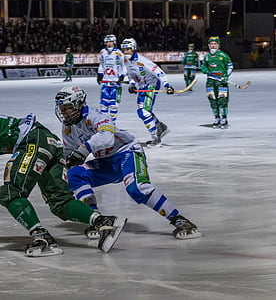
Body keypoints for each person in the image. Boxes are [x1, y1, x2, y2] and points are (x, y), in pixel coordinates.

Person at [0, 94, 127, 257]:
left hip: (32, 143)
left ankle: (43, 238)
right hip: (48, 140)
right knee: (59, 202)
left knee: (10, 193)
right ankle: (104, 221)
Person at [54, 85, 201, 240]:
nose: (63, 113)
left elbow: (106, 137)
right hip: (106, 162)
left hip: (127, 153)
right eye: (61, 109)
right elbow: (67, 152)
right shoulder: (68, 128)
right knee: (75, 175)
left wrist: (84, 150)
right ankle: (97, 220)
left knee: (137, 189)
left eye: (66, 108)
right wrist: (59, 175)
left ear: (78, 103)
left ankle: (179, 220)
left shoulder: (96, 116)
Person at [120, 38, 174, 146]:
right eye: (124, 49)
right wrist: (131, 83)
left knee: (143, 112)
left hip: (152, 85)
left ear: (133, 49)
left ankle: (155, 138)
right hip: (142, 86)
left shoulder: (142, 60)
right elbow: (132, 75)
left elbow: (159, 72)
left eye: (128, 49)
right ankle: (160, 127)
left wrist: (167, 85)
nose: (126, 52)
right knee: (143, 112)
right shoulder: (126, 61)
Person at [201, 36, 234, 128]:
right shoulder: (207, 56)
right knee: (212, 99)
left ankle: (224, 118)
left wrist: (226, 76)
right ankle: (216, 117)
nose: (213, 46)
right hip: (210, 81)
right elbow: (204, 66)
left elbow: (230, 66)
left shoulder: (223, 55)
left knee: (222, 100)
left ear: (218, 45)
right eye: (211, 44)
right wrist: (205, 70)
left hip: (221, 81)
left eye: (215, 44)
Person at [97, 34, 127, 122]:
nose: (109, 44)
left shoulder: (119, 53)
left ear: (114, 43)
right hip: (106, 82)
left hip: (115, 83)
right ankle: (104, 123)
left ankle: (112, 123)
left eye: (111, 42)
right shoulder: (102, 52)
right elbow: (101, 65)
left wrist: (121, 76)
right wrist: (99, 74)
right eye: (107, 42)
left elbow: (124, 66)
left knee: (113, 105)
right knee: (103, 104)